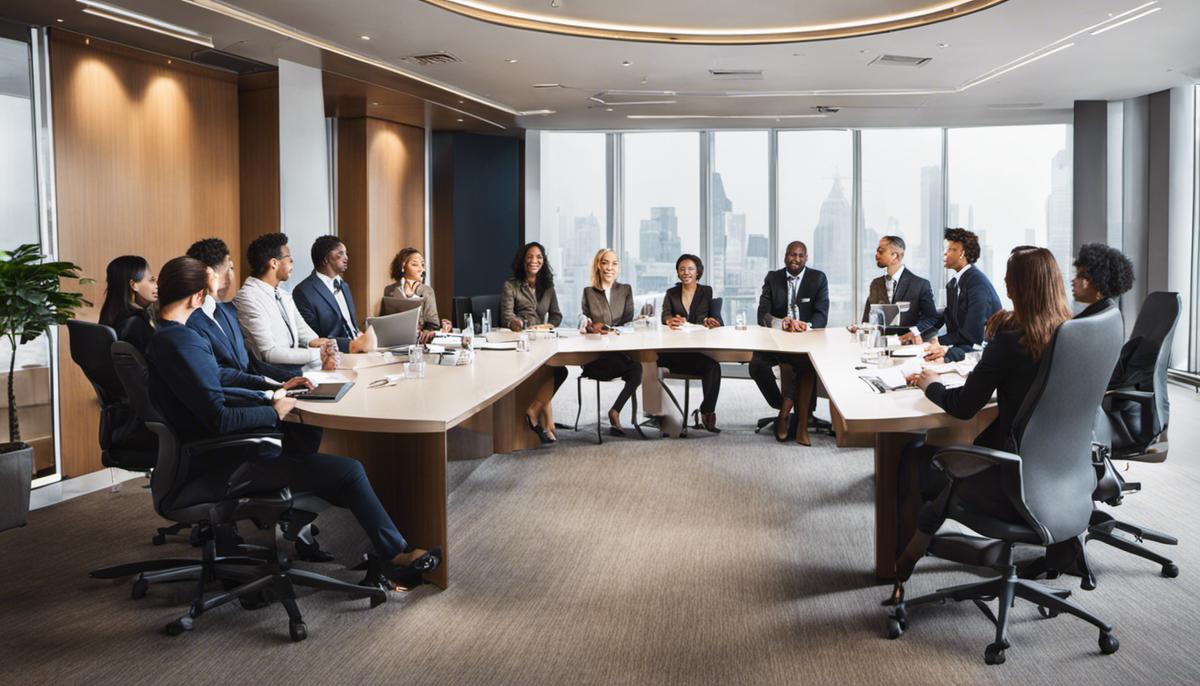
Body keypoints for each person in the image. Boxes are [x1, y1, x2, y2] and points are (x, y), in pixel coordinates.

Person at [146, 256, 439, 590]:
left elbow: (216, 377)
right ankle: (396, 558)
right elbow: (219, 417)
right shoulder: (184, 341)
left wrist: (276, 387)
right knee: (349, 470)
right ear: (197, 298)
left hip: (198, 454)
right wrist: (274, 411)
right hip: (222, 465)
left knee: (305, 437)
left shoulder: (168, 336)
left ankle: (295, 520)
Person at [887, 247, 1072, 605]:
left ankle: (901, 565)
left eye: (1009, 277)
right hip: (1063, 473)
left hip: (1012, 477)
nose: (1002, 282)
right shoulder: (1070, 336)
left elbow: (964, 407)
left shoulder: (1008, 343)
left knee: (914, 457)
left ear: (1019, 286)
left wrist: (929, 383)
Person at [185, 238, 323, 456]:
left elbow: (250, 363)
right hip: (235, 403)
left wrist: (281, 383)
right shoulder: (193, 322)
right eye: (230, 267)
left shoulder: (225, 312)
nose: (233, 274)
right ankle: (292, 474)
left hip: (251, 388)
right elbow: (220, 376)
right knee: (304, 423)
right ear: (211, 274)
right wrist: (269, 394)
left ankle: (297, 473)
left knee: (307, 411)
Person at [749, 241, 828, 445]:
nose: (796, 259)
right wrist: (780, 323)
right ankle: (782, 406)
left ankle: (798, 424)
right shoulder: (773, 278)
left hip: (803, 341)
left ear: (806, 258)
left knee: (806, 366)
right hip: (776, 340)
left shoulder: (817, 278)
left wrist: (806, 325)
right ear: (785, 256)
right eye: (792, 255)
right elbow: (762, 314)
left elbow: (821, 315)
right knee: (756, 366)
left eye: (801, 255)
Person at [233, 233, 335, 370]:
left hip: (295, 369)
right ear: (274, 263)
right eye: (289, 258)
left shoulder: (283, 294)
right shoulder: (248, 297)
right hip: (274, 376)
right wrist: (317, 354)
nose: (292, 262)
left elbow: (305, 332)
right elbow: (269, 353)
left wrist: (324, 345)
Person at [501, 242, 566, 442]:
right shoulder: (511, 285)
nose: (534, 261)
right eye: (530, 257)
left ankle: (537, 413)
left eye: (538, 257)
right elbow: (507, 317)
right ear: (523, 260)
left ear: (543, 261)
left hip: (543, 339)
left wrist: (547, 327)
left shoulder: (548, 287)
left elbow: (556, 316)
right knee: (553, 371)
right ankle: (546, 422)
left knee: (557, 369)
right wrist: (520, 323)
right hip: (521, 341)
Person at [579, 249, 641, 436]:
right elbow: (584, 321)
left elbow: (628, 322)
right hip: (596, 358)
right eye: (605, 262)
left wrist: (610, 329)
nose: (609, 267)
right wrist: (588, 326)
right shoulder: (589, 292)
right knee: (629, 365)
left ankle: (615, 411)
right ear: (598, 265)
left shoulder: (625, 290)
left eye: (614, 263)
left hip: (618, 353)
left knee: (637, 369)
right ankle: (615, 413)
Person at [659, 254, 722, 433]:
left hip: (697, 349)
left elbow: (715, 316)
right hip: (674, 351)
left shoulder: (706, 291)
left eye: (690, 269)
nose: (686, 272)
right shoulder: (671, 293)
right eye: (682, 269)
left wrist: (712, 320)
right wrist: (671, 320)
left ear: (698, 272)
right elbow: (665, 316)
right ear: (678, 273)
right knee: (651, 363)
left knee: (713, 368)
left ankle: (707, 411)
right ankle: (660, 416)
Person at [920, 228, 1002, 362]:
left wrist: (939, 341)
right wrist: (921, 335)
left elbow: (973, 335)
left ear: (962, 254)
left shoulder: (977, 284)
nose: (945, 253)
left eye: (952, 249)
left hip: (982, 354)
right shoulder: (953, 284)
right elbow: (946, 315)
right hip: (963, 350)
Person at [293, 235, 369, 354]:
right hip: (334, 354)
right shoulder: (303, 291)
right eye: (341, 254)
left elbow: (351, 326)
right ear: (325, 259)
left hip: (360, 350)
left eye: (346, 253)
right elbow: (314, 338)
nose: (346, 258)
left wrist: (363, 337)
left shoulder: (344, 286)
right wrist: (351, 345)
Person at [856, 235, 937, 336]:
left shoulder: (920, 285)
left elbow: (931, 318)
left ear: (895, 256)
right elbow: (867, 320)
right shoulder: (875, 284)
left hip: (908, 346)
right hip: (878, 346)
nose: (876, 254)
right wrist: (860, 329)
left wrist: (913, 333)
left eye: (881, 251)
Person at [382, 247, 451, 345]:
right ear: (403, 266)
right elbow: (385, 320)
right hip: (395, 341)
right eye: (415, 264)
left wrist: (427, 331)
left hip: (419, 343)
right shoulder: (389, 290)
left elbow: (433, 323)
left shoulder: (427, 291)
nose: (421, 269)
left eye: (422, 265)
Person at [98, 255, 158, 352]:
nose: (156, 286)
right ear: (134, 285)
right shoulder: (137, 323)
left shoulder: (110, 315)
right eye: (151, 280)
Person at [1071, 242, 1134, 320]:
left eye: (1079, 276)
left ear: (1098, 284)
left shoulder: (1077, 324)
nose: (1073, 281)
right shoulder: (1112, 316)